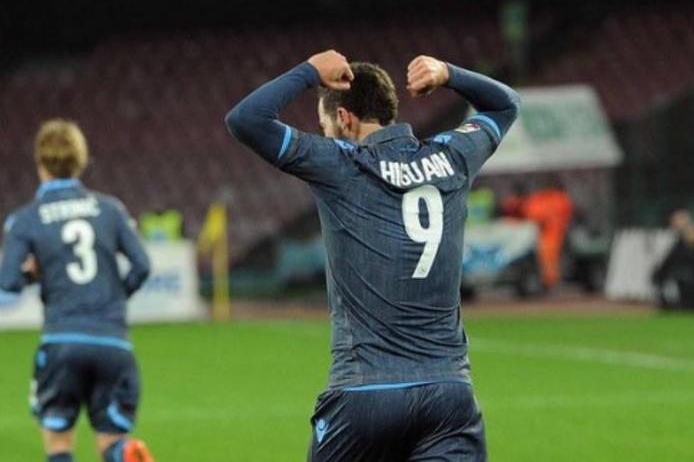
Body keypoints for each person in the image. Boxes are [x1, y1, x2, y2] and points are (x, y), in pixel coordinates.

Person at [226, 50, 519, 461]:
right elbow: (506, 104)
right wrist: (448, 74)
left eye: (325, 125)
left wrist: (309, 71)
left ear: (344, 118)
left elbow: (245, 120)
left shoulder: (340, 163)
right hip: (449, 396)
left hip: (365, 394)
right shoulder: (452, 156)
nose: (326, 134)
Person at [0, 120, 154, 462]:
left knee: (58, 444)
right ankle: (124, 454)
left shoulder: (25, 220)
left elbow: (7, 283)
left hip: (62, 341)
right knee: (111, 442)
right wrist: (115, 299)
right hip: (113, 343)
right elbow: (142, 266)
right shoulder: (110, 209)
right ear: (81, 160)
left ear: (40, 162)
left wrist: (31, 274)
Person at [521, 178, 574, 289]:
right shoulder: (541, 199)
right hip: (545, 234)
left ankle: (551, 281)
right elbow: (531, 214)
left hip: (555, 234)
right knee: (547, 257)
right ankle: (549, 281)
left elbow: (565, 214)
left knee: (549, 257)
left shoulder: (557, 198)